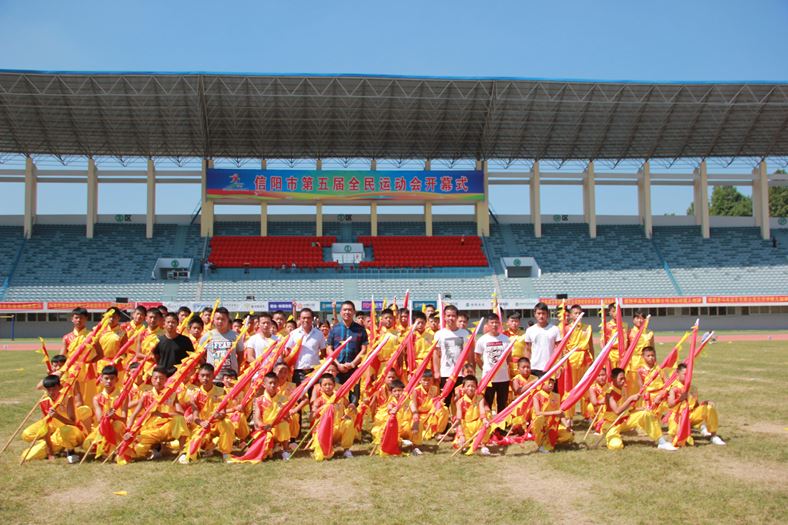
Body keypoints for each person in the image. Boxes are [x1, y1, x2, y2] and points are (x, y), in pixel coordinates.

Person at [122, 366, 189, 462]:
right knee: (137, 451)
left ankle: (182, 453)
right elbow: (134, 415)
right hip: (151, 430)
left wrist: (163, 415)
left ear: (166, 380)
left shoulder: (171, 394)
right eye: (155, 378)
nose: (158, 381)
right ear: (151, 379)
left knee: (179, 420)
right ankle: (158, 448)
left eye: (161, 378)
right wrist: (128, 430)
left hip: (167, 427)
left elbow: (181, 413)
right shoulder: (146, 395)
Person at [603, 368, 676, 451]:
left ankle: (662, 442)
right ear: (613, 378)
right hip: (612, 424)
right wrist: (630, 399)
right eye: (621, 379)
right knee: (616, 446)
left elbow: (628, 408)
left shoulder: (623, 389)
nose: (623, 381)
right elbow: (617, 411)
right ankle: (613, 436)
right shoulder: (610, 393)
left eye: (624, 378)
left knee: (646, 414)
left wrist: (641, 408)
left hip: (624, 420)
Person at [20, 374, 86, 463]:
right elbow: (45, 427)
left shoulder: (67, 398)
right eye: (48, 390)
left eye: (53, 389)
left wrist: (57, 416)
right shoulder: (44, 402)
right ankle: (54, 446)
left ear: (59, 387)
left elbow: (73, 423)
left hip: (74, 432)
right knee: (27, 445)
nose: (51, 392)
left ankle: (70, 451)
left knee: (66, 431)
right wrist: (50, 452)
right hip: (57, 434)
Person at [180, 363, 234, 462]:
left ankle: (226, 453)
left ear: (213, 376)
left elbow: (223, 413)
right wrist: (202, 423)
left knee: (227, 423)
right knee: (194, 444)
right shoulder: (195, 394)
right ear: (198, 377)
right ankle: (187, 453)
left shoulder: (221, 391)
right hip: (202, 425)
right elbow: (195, 416)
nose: (205, 378)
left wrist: (219, 416)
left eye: (208, 375)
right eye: (202, 375)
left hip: (216, 423)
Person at [667, 363, 725, 446]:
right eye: (685, 374)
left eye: (689, 375)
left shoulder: (692, 388)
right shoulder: (673, 388)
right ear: (677, 373)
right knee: (677, 440)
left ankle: (713, 436)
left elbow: (695, 405)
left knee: (708, 408)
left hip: (691, 416)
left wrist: (704, 403)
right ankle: (696, 429)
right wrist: (680, 399)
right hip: (678, 418)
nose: (687, 377)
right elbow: (670, 404)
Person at [326, 301, 368, 404]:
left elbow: (364, 349)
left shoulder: (360, 330)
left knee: (354, 401)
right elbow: (329, 348)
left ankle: (352, 420)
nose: (347, 312)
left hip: (353, 370)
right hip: (337, 370)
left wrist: (353, 363)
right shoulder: (334, 329)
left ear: (354, 312)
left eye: (350, 310)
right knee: (337, 400)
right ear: (340, 312)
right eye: (345, 310)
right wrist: (337, 364)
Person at [84, 365, 127, 459]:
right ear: (101, 379)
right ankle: (107, 448)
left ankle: (116, 449)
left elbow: (124, 419)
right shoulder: (97, 398)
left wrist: (115, 416)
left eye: (112, 378)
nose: (109, 381)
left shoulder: (122, 396)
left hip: (118, 426)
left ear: (117, 379)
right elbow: (100, 420)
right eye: (106, 378)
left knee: (117, 426)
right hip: (103, 427)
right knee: (87, 445)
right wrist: (107, 416)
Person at [432, 305, 471, 408]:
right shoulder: (439, 334)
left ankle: (459, 423)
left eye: (453, 316)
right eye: (448, 315)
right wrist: (436, 371)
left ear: (457, 317)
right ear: (444, 317)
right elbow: (436, 354)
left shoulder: (464, 333)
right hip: (446, 373)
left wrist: (471, 368)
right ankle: (445, 423)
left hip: (461, 374)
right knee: (445, 401)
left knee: (461, 401)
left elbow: (469, 353)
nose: (451, 318)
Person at [310, 373, 356, 460]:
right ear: (320, 387)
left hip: (338, 428)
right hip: (325, 430)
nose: (328, 387)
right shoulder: (319, 401)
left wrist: (351, 407)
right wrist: (321, 409)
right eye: (325, 385)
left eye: (330, 384)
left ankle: (346, 450)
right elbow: (311, 417)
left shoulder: (340, 397)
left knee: (348, 423)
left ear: (334, 385)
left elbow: (349, 406)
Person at [252, 372, 294, 460]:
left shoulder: (283, 399)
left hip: (278, 427)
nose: (273, 385)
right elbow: (257, 418)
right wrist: (263, 426)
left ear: (278, 384)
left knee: (284, 425)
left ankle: (285, 450)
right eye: (270, 383)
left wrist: (287, 415)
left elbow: (287, 415)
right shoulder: (259, 400)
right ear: (264, 384)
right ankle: (271, 448)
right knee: (265, 455)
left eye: (275, 383)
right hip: (265, 428)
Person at [474, 313, 510, 415]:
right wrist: (485, 369)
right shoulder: (482, 340)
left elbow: (509, 357)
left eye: (496, 323)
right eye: (492, 322)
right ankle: (488, 426)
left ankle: (501, 426)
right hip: (488, 379)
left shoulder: (505, 339)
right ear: (487, 325)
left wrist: (504, 368)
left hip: (503, 378)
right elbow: (477, 357)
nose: (494, 325)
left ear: (500, 324)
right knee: (487, 403)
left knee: (502, 403)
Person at [531, 377, 574, 453]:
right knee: (539, 419)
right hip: (541, 424)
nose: (551, 385)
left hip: (552, 425)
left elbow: (560, 413)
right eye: (548, 383)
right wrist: (554, 413)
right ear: (542, 383)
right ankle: (541, 444)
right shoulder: (537, 396)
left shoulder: (556, 396)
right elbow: (537, 413)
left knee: (569, 435)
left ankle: (550, 441)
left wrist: (567, 426)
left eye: (552, 383)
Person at [286, 308, 327, 386]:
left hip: (314, 371)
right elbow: (288, 352)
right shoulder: (293, 334)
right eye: (303, 318)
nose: (306, 320)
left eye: (308, 318)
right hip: (298, 371)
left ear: (312, 319)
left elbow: (323, 353)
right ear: (299, 319)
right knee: (300, 397)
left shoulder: (319, 334)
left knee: (313, 395)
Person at [200, 307, 242, 381]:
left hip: (230, 377)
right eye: (218, 319)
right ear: (213, 319)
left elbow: (241, 353)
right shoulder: (207, 336)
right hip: (213, 378)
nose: (220, 321)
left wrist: (237, 370)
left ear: (228, 320)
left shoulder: (235, 336)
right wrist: (207, 366)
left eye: (223, 319)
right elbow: (200, 355)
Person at [452, 375, 491, 455]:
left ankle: (483, 445)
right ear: (463, 388)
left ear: (476, 387)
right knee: (460, 444)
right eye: (468, 386)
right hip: (466, 426)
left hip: (477, 423)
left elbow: (482, 412)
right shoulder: (460, 402)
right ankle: (467, 442)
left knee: (486, 424)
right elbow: (459, 420)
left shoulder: (480, 398)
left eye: (473, 386)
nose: (470, 388)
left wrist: (484, 420)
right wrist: (461, 434)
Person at [523, 302, 561, 377]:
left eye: (543, 313)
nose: (541, 316)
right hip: (534, 367)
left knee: (550, 389)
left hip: (550, 367)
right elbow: (527, 349)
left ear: (547, 314)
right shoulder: (530, 330)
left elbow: (558, 350)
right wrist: (526, 366)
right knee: (535, 389)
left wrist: (558, 366)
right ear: (535, 314)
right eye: (539, 313)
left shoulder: (555, 329)